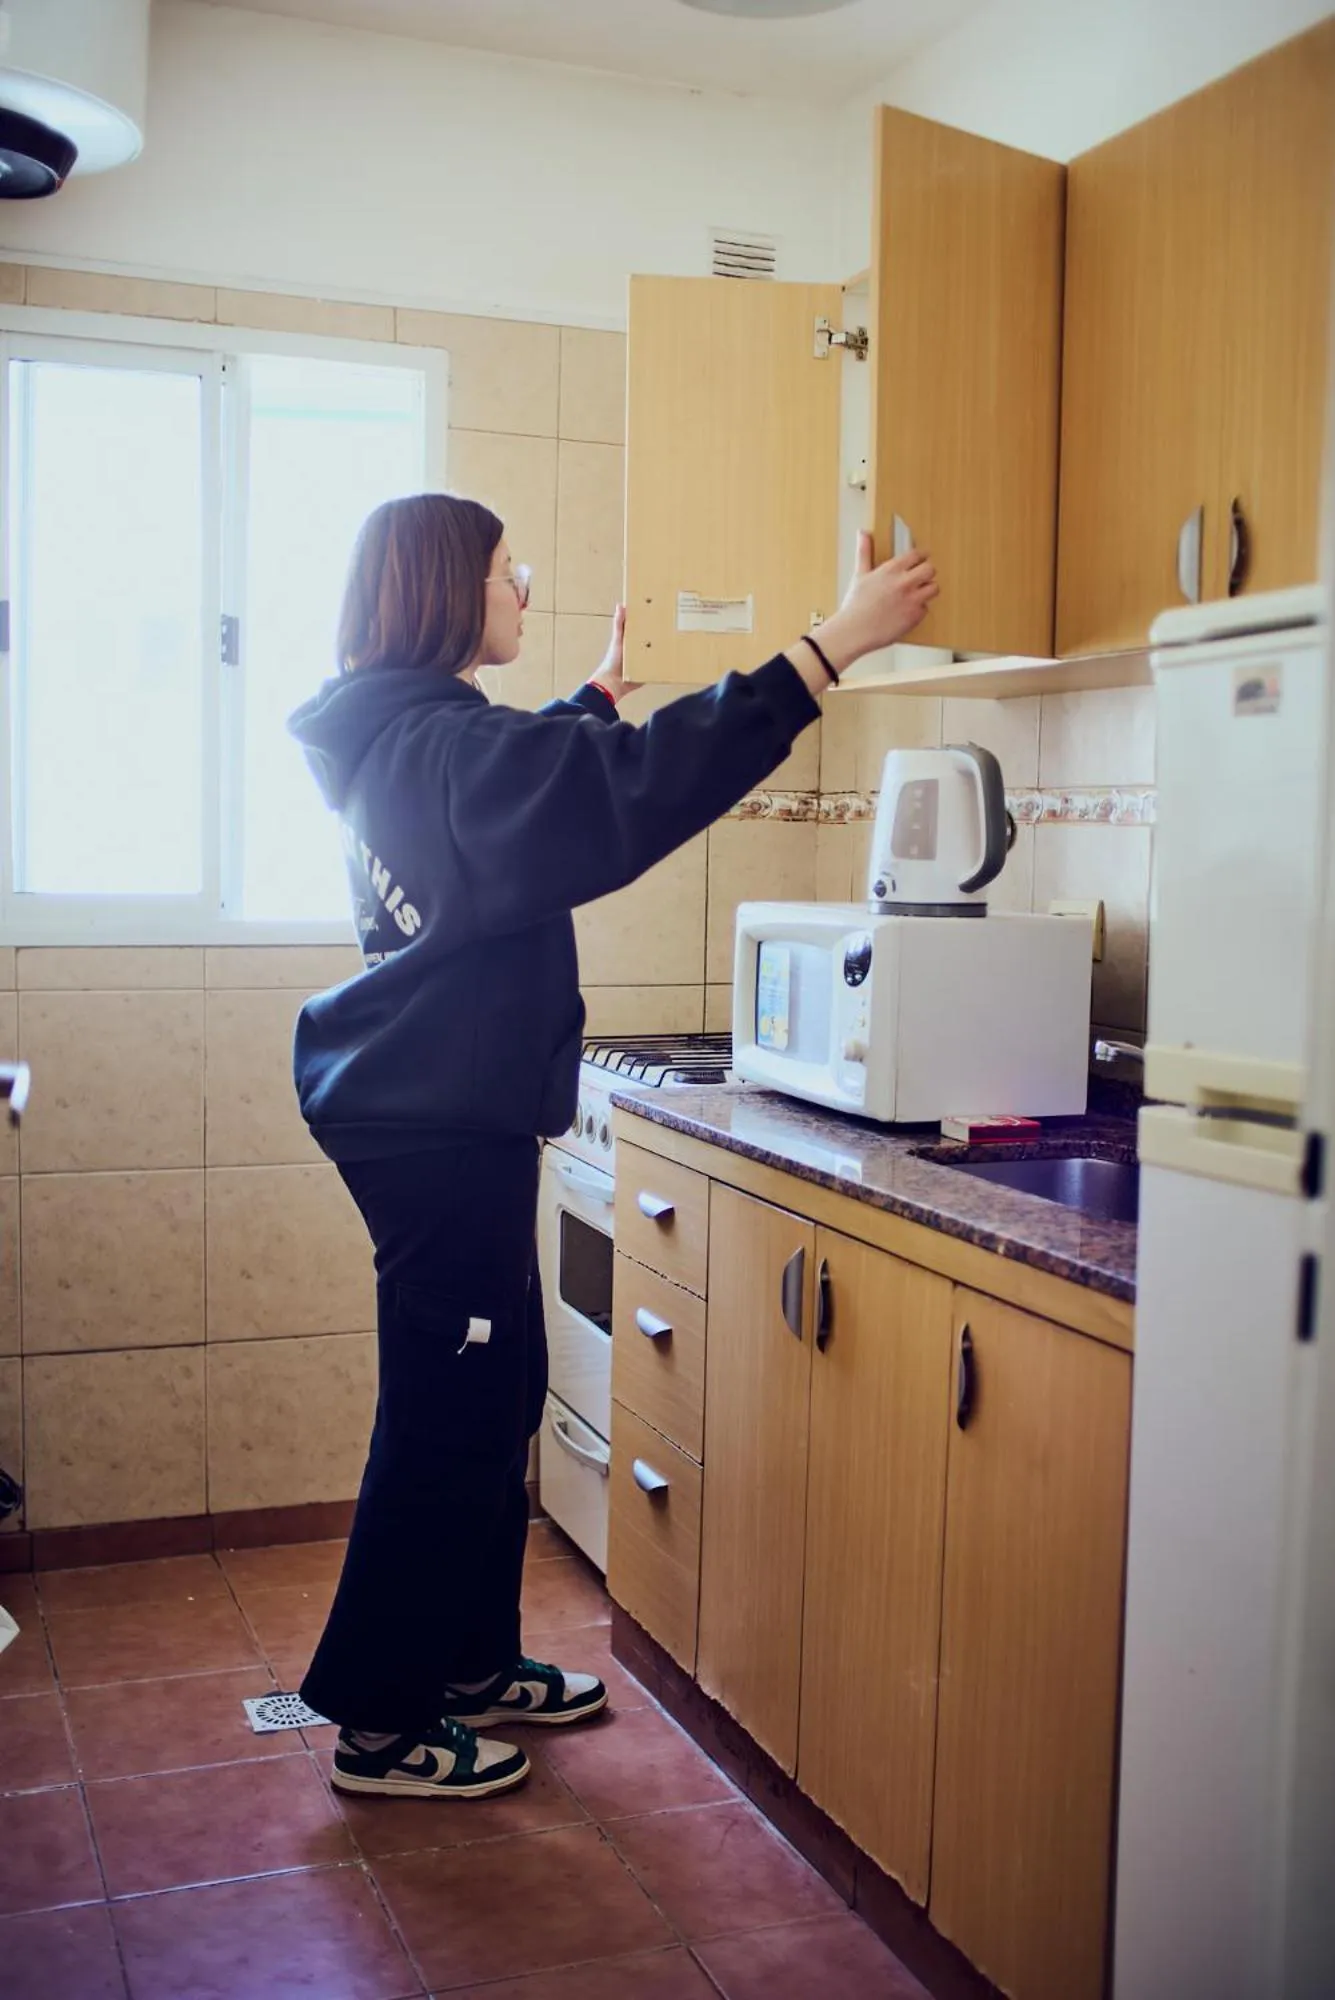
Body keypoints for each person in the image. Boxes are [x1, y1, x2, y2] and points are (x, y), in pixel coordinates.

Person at [287, 492, 938, 1802]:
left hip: (428, 1109)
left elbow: (509, 798)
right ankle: (380, 1721)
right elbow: (614, 794)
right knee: (451, 1407)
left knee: (490, 1387)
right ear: (444, 591)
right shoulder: (434, 743)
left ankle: (468, 1662)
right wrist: (826, 649)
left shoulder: (397, 731)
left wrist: (588, 702)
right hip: (434, 1121)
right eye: (506, 571)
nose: (524, 588)